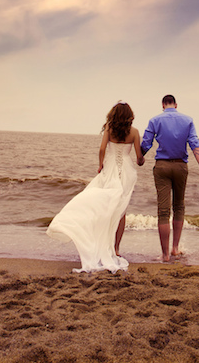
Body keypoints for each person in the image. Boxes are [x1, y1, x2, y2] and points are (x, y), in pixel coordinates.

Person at [47, 101, 143, 272]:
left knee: (104, 206)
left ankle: (99, 243)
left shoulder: (109, 129)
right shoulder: (134, 132)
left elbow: (101, 149)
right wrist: (142, 158)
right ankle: (115, 249)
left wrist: (100, 165)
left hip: (110, 169)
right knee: (121, 210)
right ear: (129, 115)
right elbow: (139, 158)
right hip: (126, 172)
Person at [140, 95, 199, 262]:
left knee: (163, 211)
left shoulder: (155, 120)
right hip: (180, 166)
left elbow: (146, 144)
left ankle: (165, 255)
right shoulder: (187, 120)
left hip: (162, 166)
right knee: (179, 206)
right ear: (176, 104)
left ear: (163, 105)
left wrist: (138, 158)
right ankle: (175, 248)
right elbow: (194, 144)